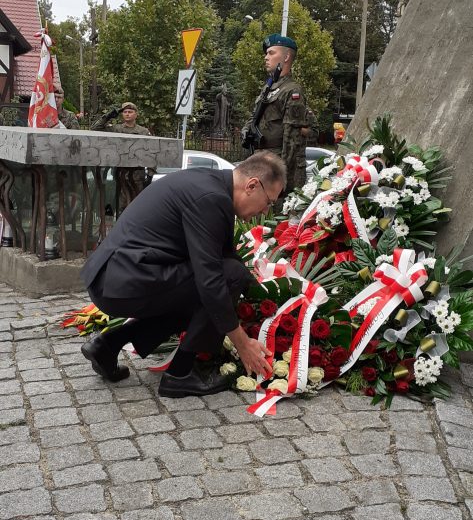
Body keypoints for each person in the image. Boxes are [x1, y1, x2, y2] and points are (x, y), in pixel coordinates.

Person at [80, 151, 285, 397]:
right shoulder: (211, 197)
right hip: (124, 280)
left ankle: (108, 346)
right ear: (252, 185)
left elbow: (223, 254)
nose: (265, 211)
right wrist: (243, 344)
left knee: (213, 286)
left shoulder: (210, 185)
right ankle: (181, 374)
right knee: (225, 279)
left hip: (118, 277)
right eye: (269, 202)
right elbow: (212, 279)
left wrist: (265, 295)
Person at [241, 34, 307, 194]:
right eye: (266, 53)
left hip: (275, 168)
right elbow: (255, 117)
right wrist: (247, 129)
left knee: (275, 217)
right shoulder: (268, 89)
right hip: (261, 162)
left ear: (287, 57)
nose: (266, 57)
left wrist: (280, 177)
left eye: (271, 53)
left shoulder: (292, 90)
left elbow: (291, 139)